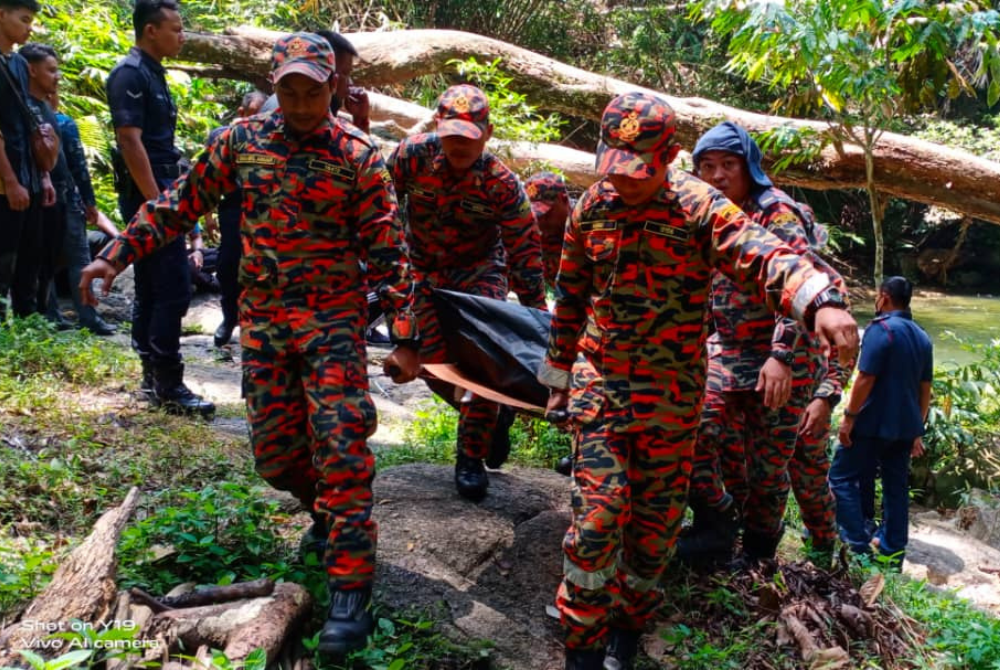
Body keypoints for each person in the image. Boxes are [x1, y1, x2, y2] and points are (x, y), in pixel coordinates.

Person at [80, 32, 420, 657]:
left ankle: (351, 587)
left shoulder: (359, 155)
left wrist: (405, 338)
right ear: (273, 85)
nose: (298, 103)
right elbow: (178, 204)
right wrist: (114, 255)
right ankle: (327, 513)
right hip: (265, 327)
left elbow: (388, 251)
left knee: (341, 446)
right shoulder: (241, 142)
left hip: (331, 327)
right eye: (287, 90)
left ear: (334, 87)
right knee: (274, 457)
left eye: (311, 91)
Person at [538, 92, 859, 670]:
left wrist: (821, 302)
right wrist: (557, 375)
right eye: (616, 168)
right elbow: (569, 296)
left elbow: (765, 255)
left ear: (668, 157)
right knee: (598, 519)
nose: (625, 183)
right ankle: (580, 647)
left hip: (672, 392)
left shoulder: (700, 206)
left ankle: (629, 630)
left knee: (656, 529)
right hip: (603, 380)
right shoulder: (593, 206)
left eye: (640, 171)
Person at [678, 121, 849, 567]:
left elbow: (798, 279)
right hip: (729, 348)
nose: (716, 176)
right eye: (707, 166)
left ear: (748, 167)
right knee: (694, 427)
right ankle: (716, 519)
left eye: (727, 165)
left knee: (768, 470)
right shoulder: (706, 213)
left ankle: (757, 556)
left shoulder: (776, 213)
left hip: (782, 356)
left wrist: (781, 355)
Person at [388, 83, 547, 501]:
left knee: (479, 366)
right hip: (421, 271)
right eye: (451, 134)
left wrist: (537, 324)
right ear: (437, 126)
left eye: (469, 137)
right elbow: (381, 210)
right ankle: (490, 417)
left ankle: (471, 456)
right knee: (428, 364)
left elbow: (525, 253)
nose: (459, 145)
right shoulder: (410, 156)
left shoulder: (501, 184)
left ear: (487, 133)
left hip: (480, 275)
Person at [106, 0, 213, 417]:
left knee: (156, 284)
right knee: (170, 285)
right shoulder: (130, 73)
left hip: (162, 185)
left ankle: (153, 378)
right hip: (149, 192)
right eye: (175, 28)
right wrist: (157, 204)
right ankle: (167, 382)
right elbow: (130, 143)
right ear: (151, 30)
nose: (182, 36)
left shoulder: (152, 72)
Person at [829, 276, 932, 571]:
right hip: (904, 428)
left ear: (884, 297)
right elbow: (925, 388)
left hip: (872, 423)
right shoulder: (922, 336)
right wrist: (917, 429)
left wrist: (848, 418)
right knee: (895, 488)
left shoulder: (881, 329)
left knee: (840, 476)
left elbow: (865, 377)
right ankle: (892, 556)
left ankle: (857, 545)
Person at [44, 89, 117, 335]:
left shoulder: (25, 121)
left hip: (39, 200)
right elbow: (79, 166)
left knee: (44, 260)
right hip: (67, 198)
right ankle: (88, 316)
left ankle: (51, 316)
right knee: (79, 258)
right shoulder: (63, 122)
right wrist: (89, 202)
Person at [0, 0, 54, 319]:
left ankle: (26, 321)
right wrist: (9, 180)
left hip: (29, 175)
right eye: (23, 19)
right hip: (7, 181)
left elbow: (25, 122)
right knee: (3, 256)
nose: (28, 27)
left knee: (31, 255)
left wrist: (43, 175)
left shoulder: (19, 64)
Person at [205, 89, 266, 347]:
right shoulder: (222, 137)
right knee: (228, 265)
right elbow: (206, 179)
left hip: (263, 213)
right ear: (242, 113)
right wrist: (208, 216)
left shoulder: (271, 139)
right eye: (254, 115)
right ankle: (229, 318)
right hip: (232, 209)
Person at [525, 171, 571, 292]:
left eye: (547, 214)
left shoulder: (587, 228)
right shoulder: (534, 234)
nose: (542, 222)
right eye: (537, 216)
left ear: (564, 200)